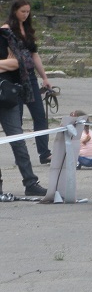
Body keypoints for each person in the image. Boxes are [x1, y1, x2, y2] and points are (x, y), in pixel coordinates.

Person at [0, 21, 47, 197]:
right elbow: (10, 62)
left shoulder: (6, 38)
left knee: (18, 140)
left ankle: (31, 182)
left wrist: (10, 62)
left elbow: (17, 63)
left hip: (8, 96)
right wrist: (6, 62)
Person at [4, 0, 52, 165]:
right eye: (22, 11)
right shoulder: (6, 30)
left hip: (30, 77)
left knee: (40, 115)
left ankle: (44, 153)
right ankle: (21, 156)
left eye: (28, 12)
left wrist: (44, 77)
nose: (25, 15)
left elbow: (34, 55)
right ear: (15, 11)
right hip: (14, 77)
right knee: (16, 120)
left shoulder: (28, 29)